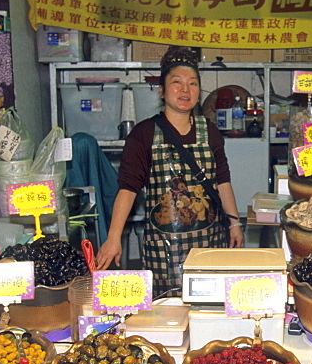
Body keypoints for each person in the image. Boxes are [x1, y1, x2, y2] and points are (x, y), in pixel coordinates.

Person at [96, 45, 244, 294]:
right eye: (177, 82)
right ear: (162, 91)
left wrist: (234, 223)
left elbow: (222, 181)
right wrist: (113, 238)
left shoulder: (209, 130)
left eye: (193, 83)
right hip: (164, 249)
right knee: (167, 309)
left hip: (210, 243)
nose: (185, 89)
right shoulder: (143, 134)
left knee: (210, 303)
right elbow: (128, 189)